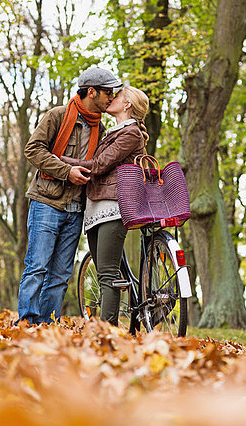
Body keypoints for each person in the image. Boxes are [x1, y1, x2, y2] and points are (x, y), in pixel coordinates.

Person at [17, 67, 123, 324]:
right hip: (47, 203)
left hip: (77, 209)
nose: (111, 97)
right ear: (91, 92)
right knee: (37, 267)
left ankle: (48, 324)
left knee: (61, 274)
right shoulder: (58, 116)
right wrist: (66, 172)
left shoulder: (103, 128)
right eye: (107, 92)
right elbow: (32, 150)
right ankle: (27, 323)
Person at [60, 86, 149, 325]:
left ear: (127, 104)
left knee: (108, 275)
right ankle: (110, 328)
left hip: (113, 206)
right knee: (105, 273)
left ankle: (105, 333)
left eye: (117, 96)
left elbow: (99, 165)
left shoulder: (131, 133)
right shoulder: (113, 132)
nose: (111, 98)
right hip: (96, 207)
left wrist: (61, 160)